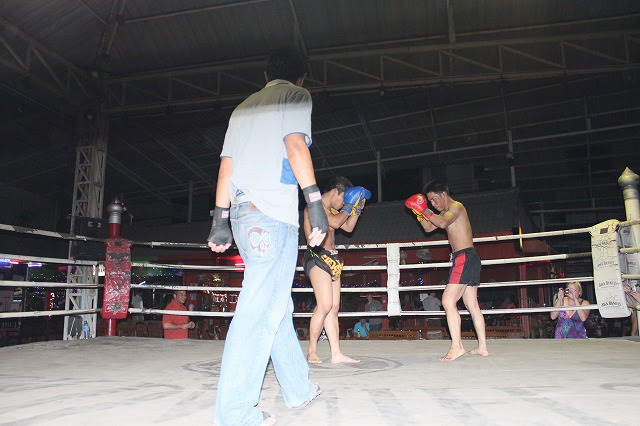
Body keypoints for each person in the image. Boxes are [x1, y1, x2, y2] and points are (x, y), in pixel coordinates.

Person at [207, 49, 327, 426]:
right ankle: (236, 412)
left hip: (242, 213)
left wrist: (219, 218)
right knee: (260, 309)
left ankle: (298, 388)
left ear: (265, 75)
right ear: (301, 77)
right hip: (273, 214)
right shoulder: (295, 95)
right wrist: (315, 201)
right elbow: (295, 145)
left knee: (276, 304)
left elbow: (227, 166)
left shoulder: (242, 108)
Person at [405, 180, 488, 362]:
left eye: (434, 200)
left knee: (447, 301)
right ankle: (482, 347)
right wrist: (418, 213)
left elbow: (442, 223)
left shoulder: (456, 207)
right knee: (472, 304)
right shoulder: (444, 212)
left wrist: (424, 209)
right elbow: (429, 228)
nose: (433, 204)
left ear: (443, 194)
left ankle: (457, 347)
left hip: (464, 257)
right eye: (430, 202)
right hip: (468, 258)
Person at [303, 177, 370, 364]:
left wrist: (357, 208)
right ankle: (311, 351)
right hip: (317, 256)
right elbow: (336, 223)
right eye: (343, 199)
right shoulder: (313, 207)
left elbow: (348, 227)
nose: (342, 205)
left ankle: (336, 353)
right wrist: (349, 206)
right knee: (324, 305)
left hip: (333, 258)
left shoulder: (333, 210)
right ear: (335, 192)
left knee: (333, 308)